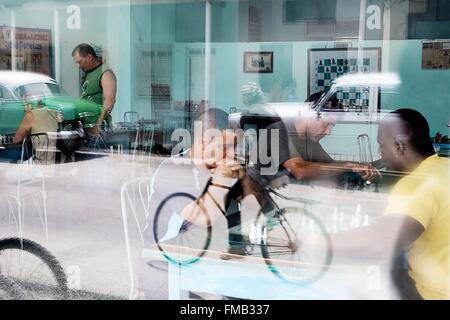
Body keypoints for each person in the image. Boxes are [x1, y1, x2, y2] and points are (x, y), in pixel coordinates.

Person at [331, 108, 449, 300]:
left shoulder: (416, 184)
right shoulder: (443, 166)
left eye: (381, 145)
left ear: (399, 146)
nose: (380, 152)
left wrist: (315, 242)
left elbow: (380, 244)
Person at [72, 43, 117, 135]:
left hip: (98, 130)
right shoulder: (89, 73)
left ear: (89, 57)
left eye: (79, 62)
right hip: (86, 128)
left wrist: (98, 124)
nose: (78, 66)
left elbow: (110, 100)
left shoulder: (105, 73)